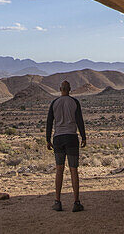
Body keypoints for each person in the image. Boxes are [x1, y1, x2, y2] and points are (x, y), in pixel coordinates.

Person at [46, 79, 86, 212]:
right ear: (70, 89)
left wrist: (47, 139)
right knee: (73, 170)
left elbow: (49, 122)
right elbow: (80, 121)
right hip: (71, 137)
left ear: (60, 89)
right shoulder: (74, 102)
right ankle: (76, 202)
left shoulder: (54, 103)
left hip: (58, 138)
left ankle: (57, 202)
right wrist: (84, 137)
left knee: (59, 170)